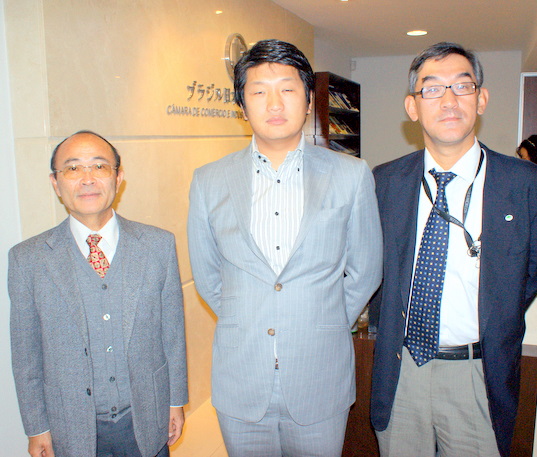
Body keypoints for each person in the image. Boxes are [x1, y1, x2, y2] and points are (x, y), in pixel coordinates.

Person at [188, 39, 382, 457]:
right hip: (241, 375)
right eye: (259, 91)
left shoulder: (351, 175)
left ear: (309, 100)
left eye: (288, 89)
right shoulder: (208, 181)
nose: (274, 103)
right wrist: (249, 316)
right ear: (242, 106)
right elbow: (207, 276)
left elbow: (366, 269)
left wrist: (325, 320)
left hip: (320, 373)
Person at [370, 42, 537, 457]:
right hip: (402, 370)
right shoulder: (383, 183)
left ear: (482, 99)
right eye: (432, 89)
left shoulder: (533, 188)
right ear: (412, 106)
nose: (449, 100)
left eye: (462, 86)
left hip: (479, 375)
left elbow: (529, 280)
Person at [9, 131, 188, 457]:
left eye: (99, 166)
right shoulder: (27, 259)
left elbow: (172, 334)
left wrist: (176, 401)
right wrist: (36, 427)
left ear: (118, 178)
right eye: (73, 168)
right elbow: (26, 355)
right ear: (55, 183)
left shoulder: (158, 245)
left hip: (146, 417)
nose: (87, 179)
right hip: (69, 427)